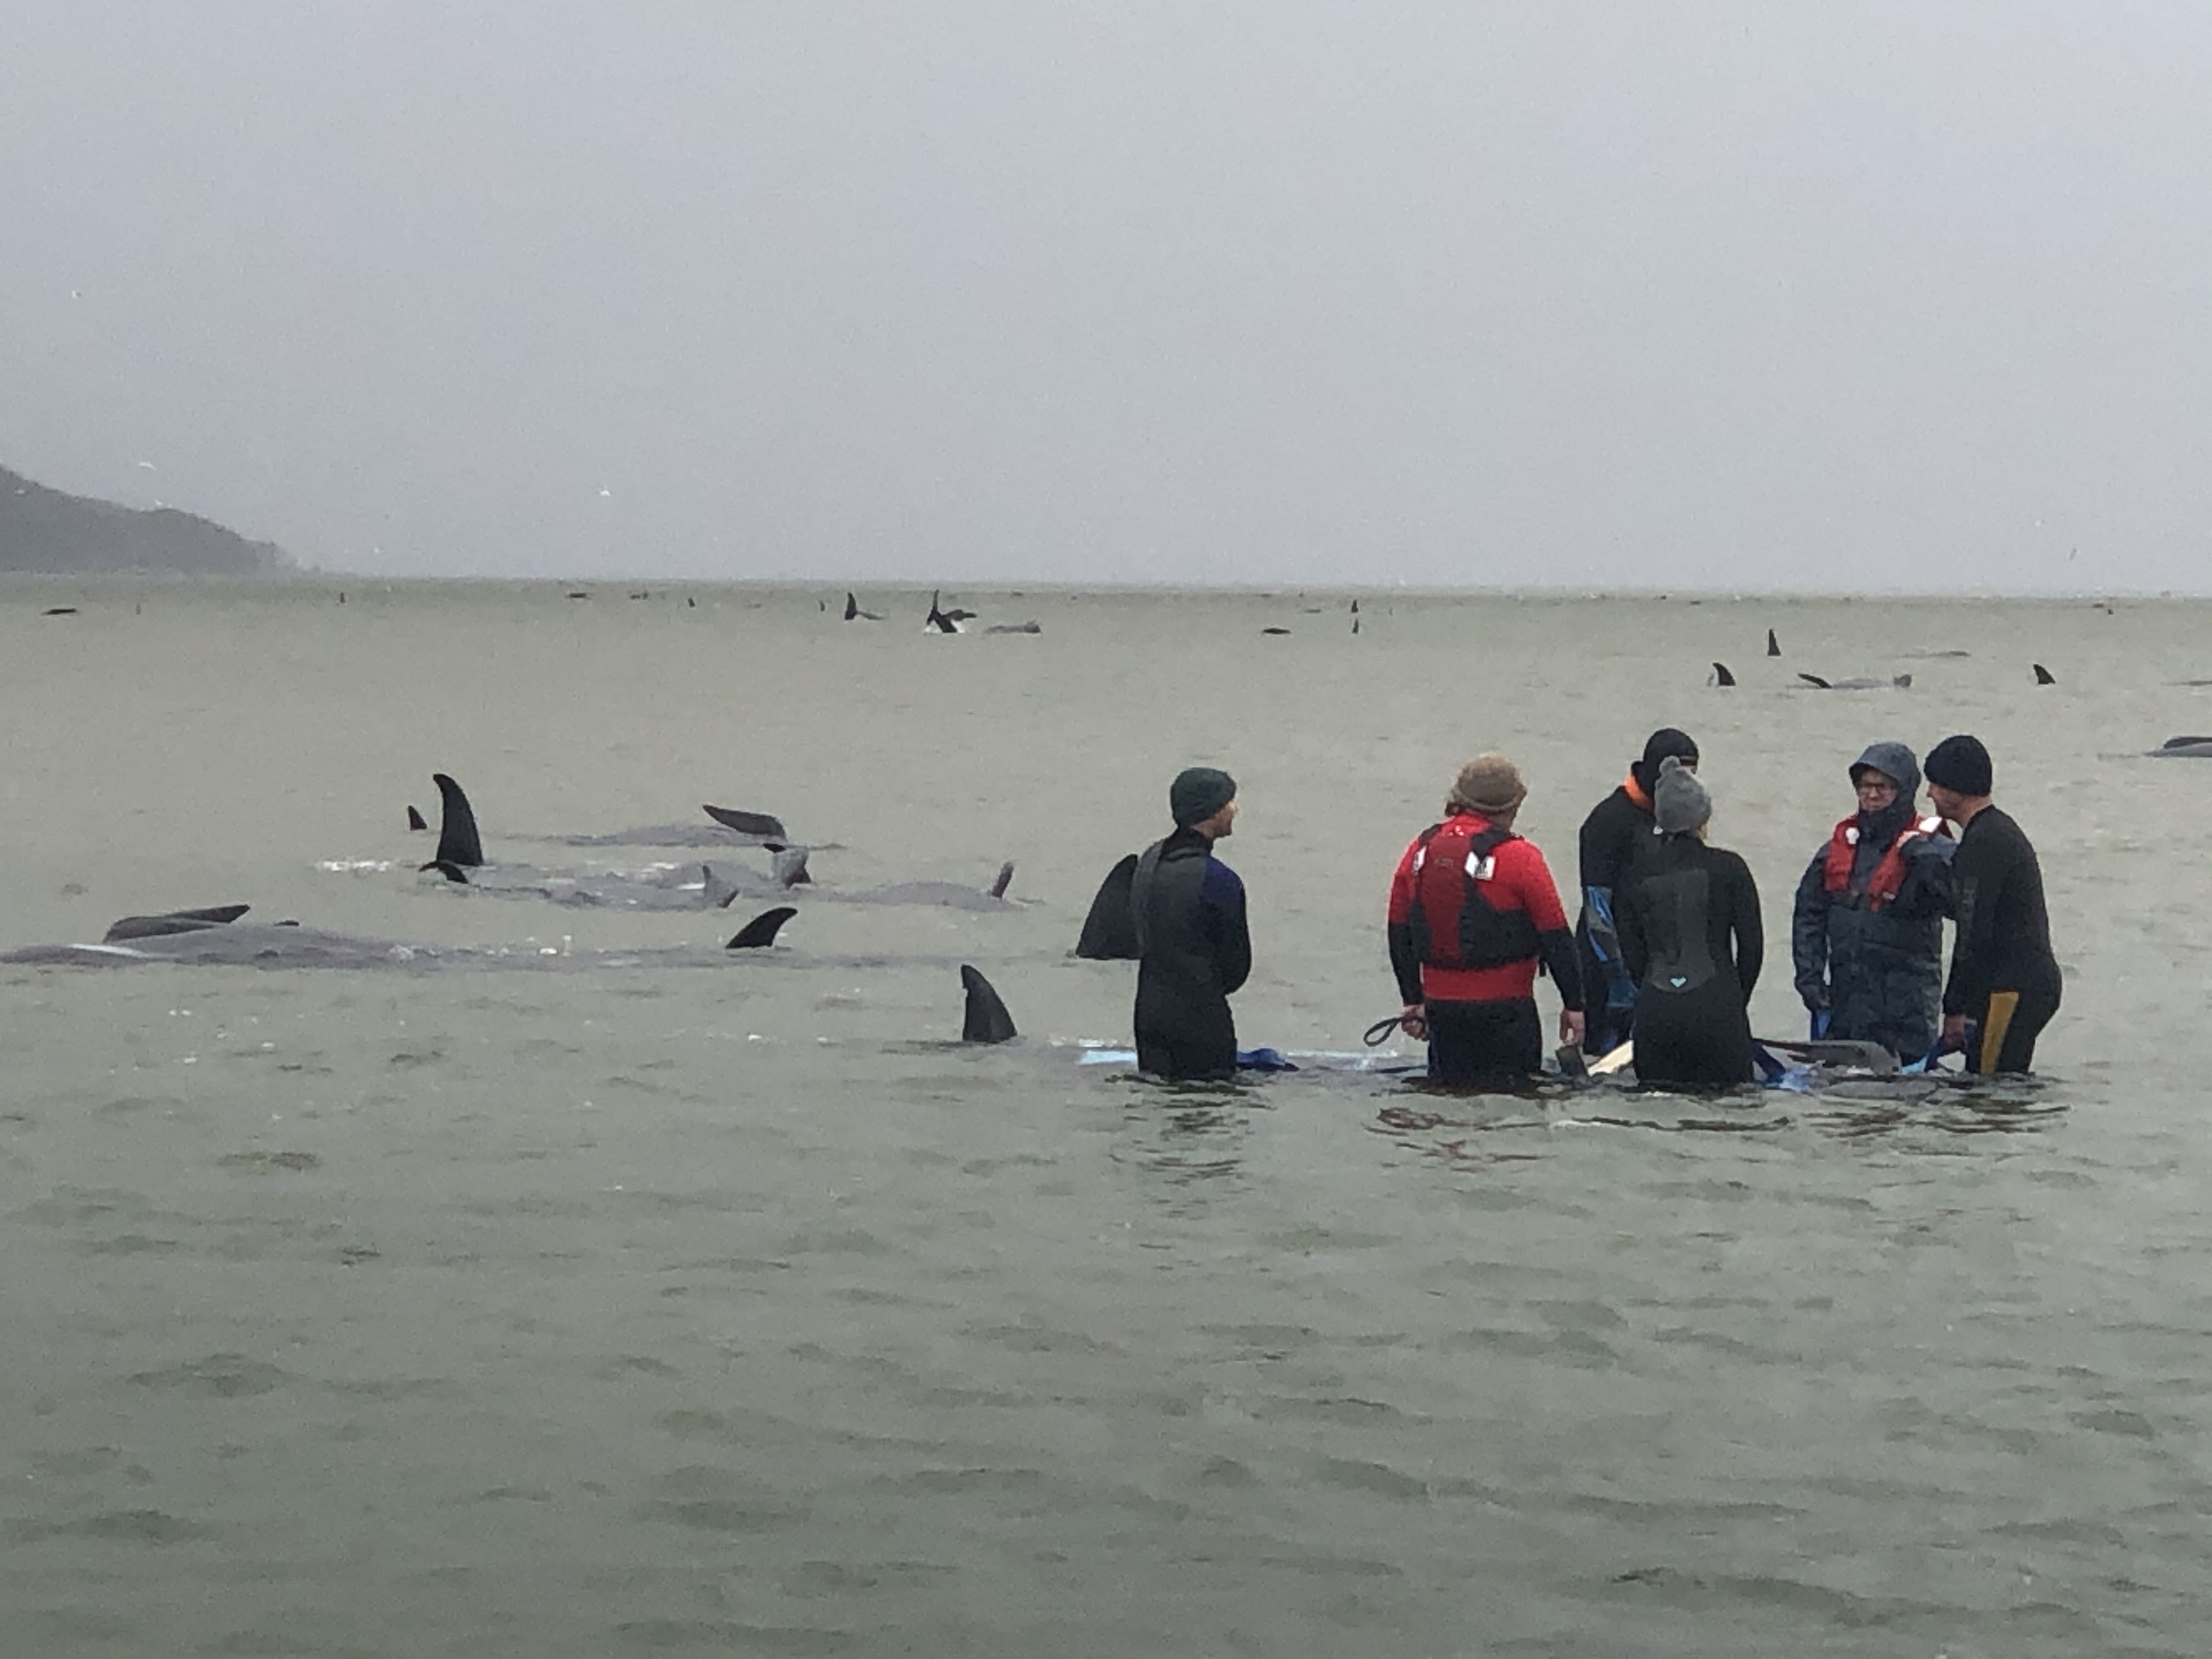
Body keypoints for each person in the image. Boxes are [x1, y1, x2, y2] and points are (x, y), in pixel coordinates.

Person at [1387, 754, 1585, 1084]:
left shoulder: (1419, 851)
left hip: (1442, 1015)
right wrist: (1574, 1005)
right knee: (1513, 1112)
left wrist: (1412, 1000)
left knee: (1448, 1103)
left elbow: (1398, 931)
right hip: (1508, 1014)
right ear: (1512, 806)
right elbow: (1556, 936)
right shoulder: (1521, 857)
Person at [1790, 741, 1954, 1062]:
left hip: (1907, 1010)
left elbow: (1959, 901)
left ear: (1904, 791)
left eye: (1884, 787)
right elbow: (1808, 914)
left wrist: (1923, 860)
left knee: (1902, 1102)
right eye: (1865, 786)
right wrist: (1809, 976)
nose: (1873, 795)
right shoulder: (1836, 850)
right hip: (1846, 1003)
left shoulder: (1933, 846)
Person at [1617, 757, 1763, 1086]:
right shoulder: (1730, 868)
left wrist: (1653, 992)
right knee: (1729, 1116)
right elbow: (1752, 949)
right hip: (1718, 1009)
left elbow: (1631, 954)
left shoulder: (1636, 874)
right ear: (1704, 817)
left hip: (1656, 1013)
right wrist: (1735, 1002)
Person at [1923, 735, 2062, 1074]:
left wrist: (1954, 1009)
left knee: (1989, 1089)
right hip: (2023, 987)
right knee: (1996, 1086)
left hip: (2012, 990)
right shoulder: (1994, 831)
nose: (1929, 794)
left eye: (1936, 785)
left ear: (1959, 790)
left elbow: (1972, 933)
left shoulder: (1983, 843)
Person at [1577, 727, 1700, 1053]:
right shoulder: (1607, 821)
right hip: (1607, 970)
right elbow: (1596, 908)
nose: (1683, 784)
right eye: (1678, 774)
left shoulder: (1675, 820)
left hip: (1654, 968)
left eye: (1692, 775)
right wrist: (1616, 978)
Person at [1130, 767, 1251, 1080]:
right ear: (1212, 812)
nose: (1235, 809)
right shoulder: (1220, 881)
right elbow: (1236, 969)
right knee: (1209, 1112)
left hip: (1148, 1017)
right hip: (1201, 1022)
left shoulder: (1148, 861)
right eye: (1229, 802)